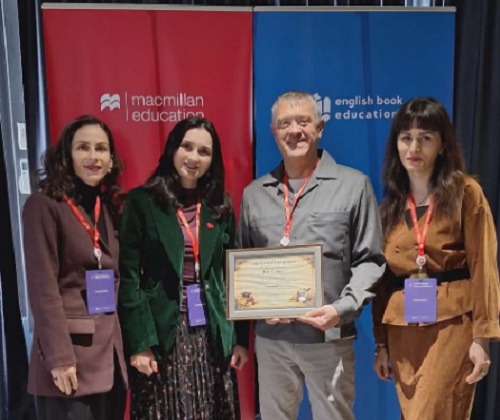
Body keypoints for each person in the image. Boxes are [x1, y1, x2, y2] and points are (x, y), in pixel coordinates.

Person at [237, 90, 385, 420]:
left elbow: (370, 260)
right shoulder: (254, 195)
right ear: (273, 131)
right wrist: (257, 306)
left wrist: (340, 309)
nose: (294, 130)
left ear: (320, 128)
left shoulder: (353, 186)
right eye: (284, 123)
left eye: (303, 121)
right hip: (271, 341)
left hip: (328, 339)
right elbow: (243, 267)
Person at [372, 97, 500, 419]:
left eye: (425, 138)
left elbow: (484, 267)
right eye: (406, 138)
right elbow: (382, 281)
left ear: (442, 145)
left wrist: (482, 337)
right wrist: (381, 344)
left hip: (452, 323)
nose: (414, 147)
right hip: (402, 330)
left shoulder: (465, 193)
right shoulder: (389, 208)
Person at [118, 117, 248, 420]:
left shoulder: (220, 206)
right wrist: (140, 344)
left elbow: (234, 276)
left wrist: (239, 338)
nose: (194, 157)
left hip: (211, 333)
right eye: (187, 147)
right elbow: (128, 277)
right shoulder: (142, 202)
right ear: (173, 149)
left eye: (204, 151)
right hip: (163, 334)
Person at [23, 115, 128, 420]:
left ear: (111, 160)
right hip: (69, 363)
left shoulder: (108, 208)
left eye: (101, 149)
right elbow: (43, 290)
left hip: (109, 360)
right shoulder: (44, 206)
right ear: (67, 155)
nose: (93, 157)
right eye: (83, 147)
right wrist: (59, 358)